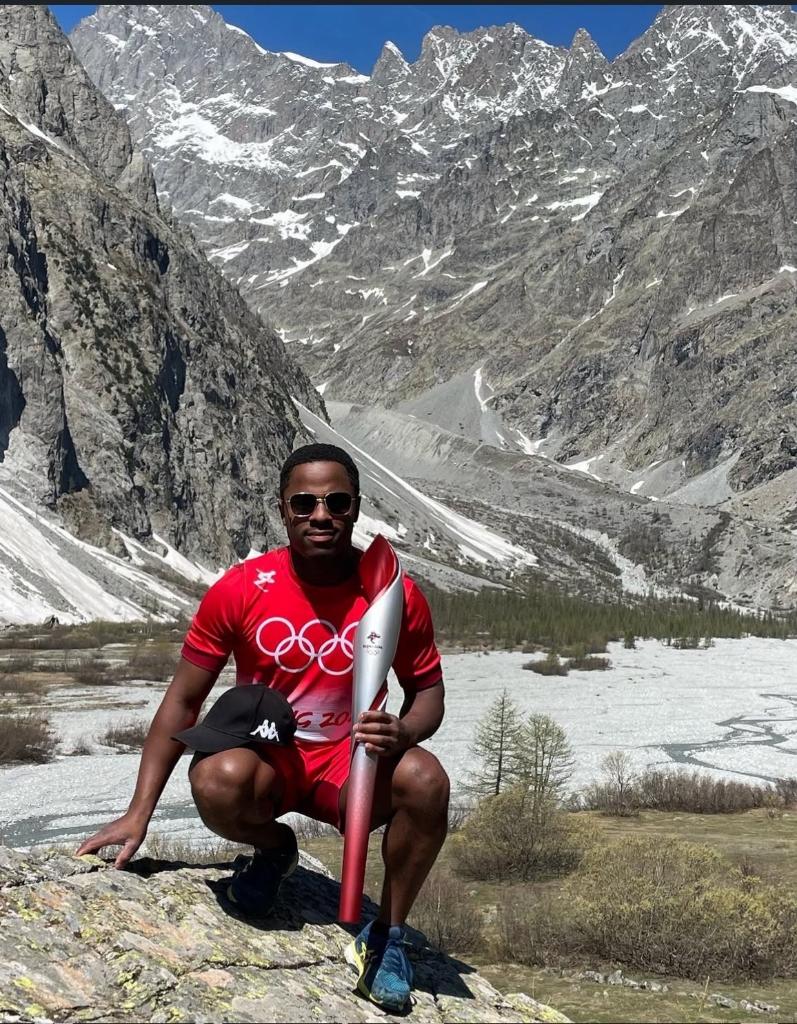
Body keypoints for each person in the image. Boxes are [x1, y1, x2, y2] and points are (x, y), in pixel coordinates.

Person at [76, 442, 449, 1013]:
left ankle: (387, 936)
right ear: (282, 509)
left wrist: (403, 732)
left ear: (355, 507)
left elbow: (428, 694)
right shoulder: (244, 587)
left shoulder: (392, 595)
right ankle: (275, 850)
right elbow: (183, 702)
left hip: (353, 766)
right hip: (273, 756)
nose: (320, 515)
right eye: (304, 503)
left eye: (337, 502)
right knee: (216, 779)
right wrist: (138, 812)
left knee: (426, 780)